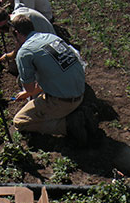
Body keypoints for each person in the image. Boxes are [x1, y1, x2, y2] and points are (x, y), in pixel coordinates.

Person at [10, 15, 92, 144]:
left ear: (17, 33)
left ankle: (68, 125)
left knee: (20, 122)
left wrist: (28, 91)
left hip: (63, 102)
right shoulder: (51, 37)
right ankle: (74, 113)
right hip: (80, 92)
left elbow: (30, 88)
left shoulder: (25, 52)